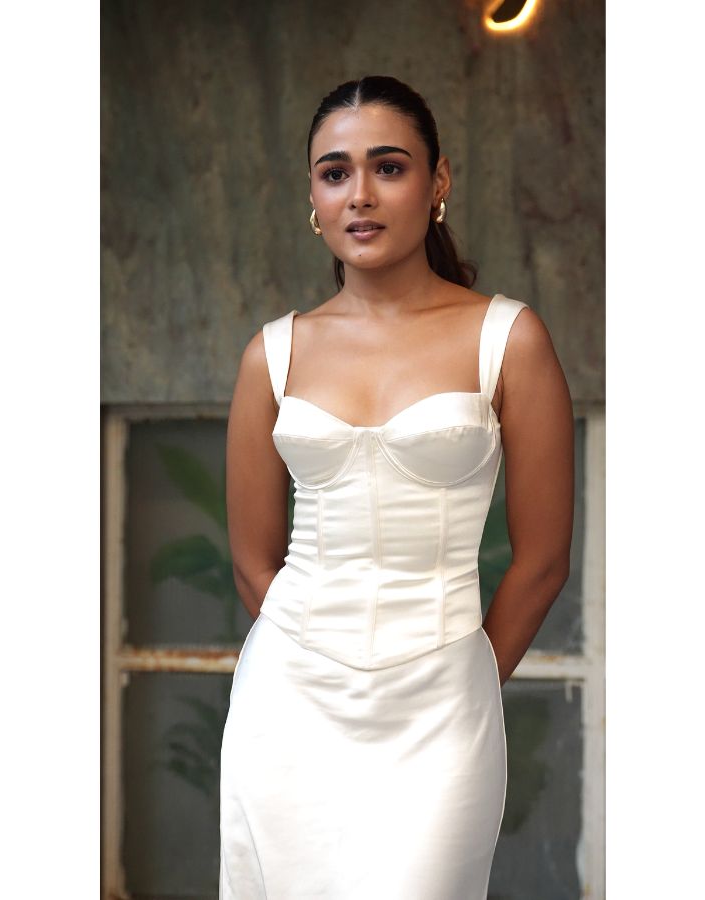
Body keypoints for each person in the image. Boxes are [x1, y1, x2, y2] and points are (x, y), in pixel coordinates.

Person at [219, 74, 574, 899]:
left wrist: (463, 675)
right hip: (289, 704)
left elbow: (543, 561)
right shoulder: (272, 354)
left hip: (442, 706)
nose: (361, 195)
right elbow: (252, 563)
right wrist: (312, 651)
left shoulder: (507, 338)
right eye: (334, 172)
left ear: (437, 181)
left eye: (388, 166)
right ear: (313, 197)